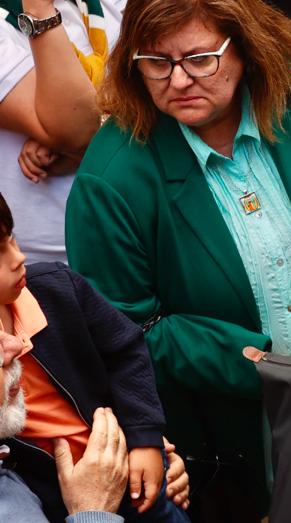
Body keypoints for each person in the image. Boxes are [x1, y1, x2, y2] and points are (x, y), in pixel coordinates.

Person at [64, 0, 291, 521]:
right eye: (155, 62)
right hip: (238, 437)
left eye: (200, 58)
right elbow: (118, 331)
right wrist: (255, 362)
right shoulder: (112, 181)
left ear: (245, 43)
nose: (178, 80)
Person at [0, 191, 188, 522]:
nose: (18, 257)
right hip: (58, 499)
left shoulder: (57, 290)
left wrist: (144, 437)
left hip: (129, 463)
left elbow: (127, 350)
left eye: (11, 238)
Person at [0, 0, 136, 264]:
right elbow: (78, 129)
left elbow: (168, 63)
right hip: (60, 260)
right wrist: (39, 9)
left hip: (146, 218)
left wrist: (84, 148)